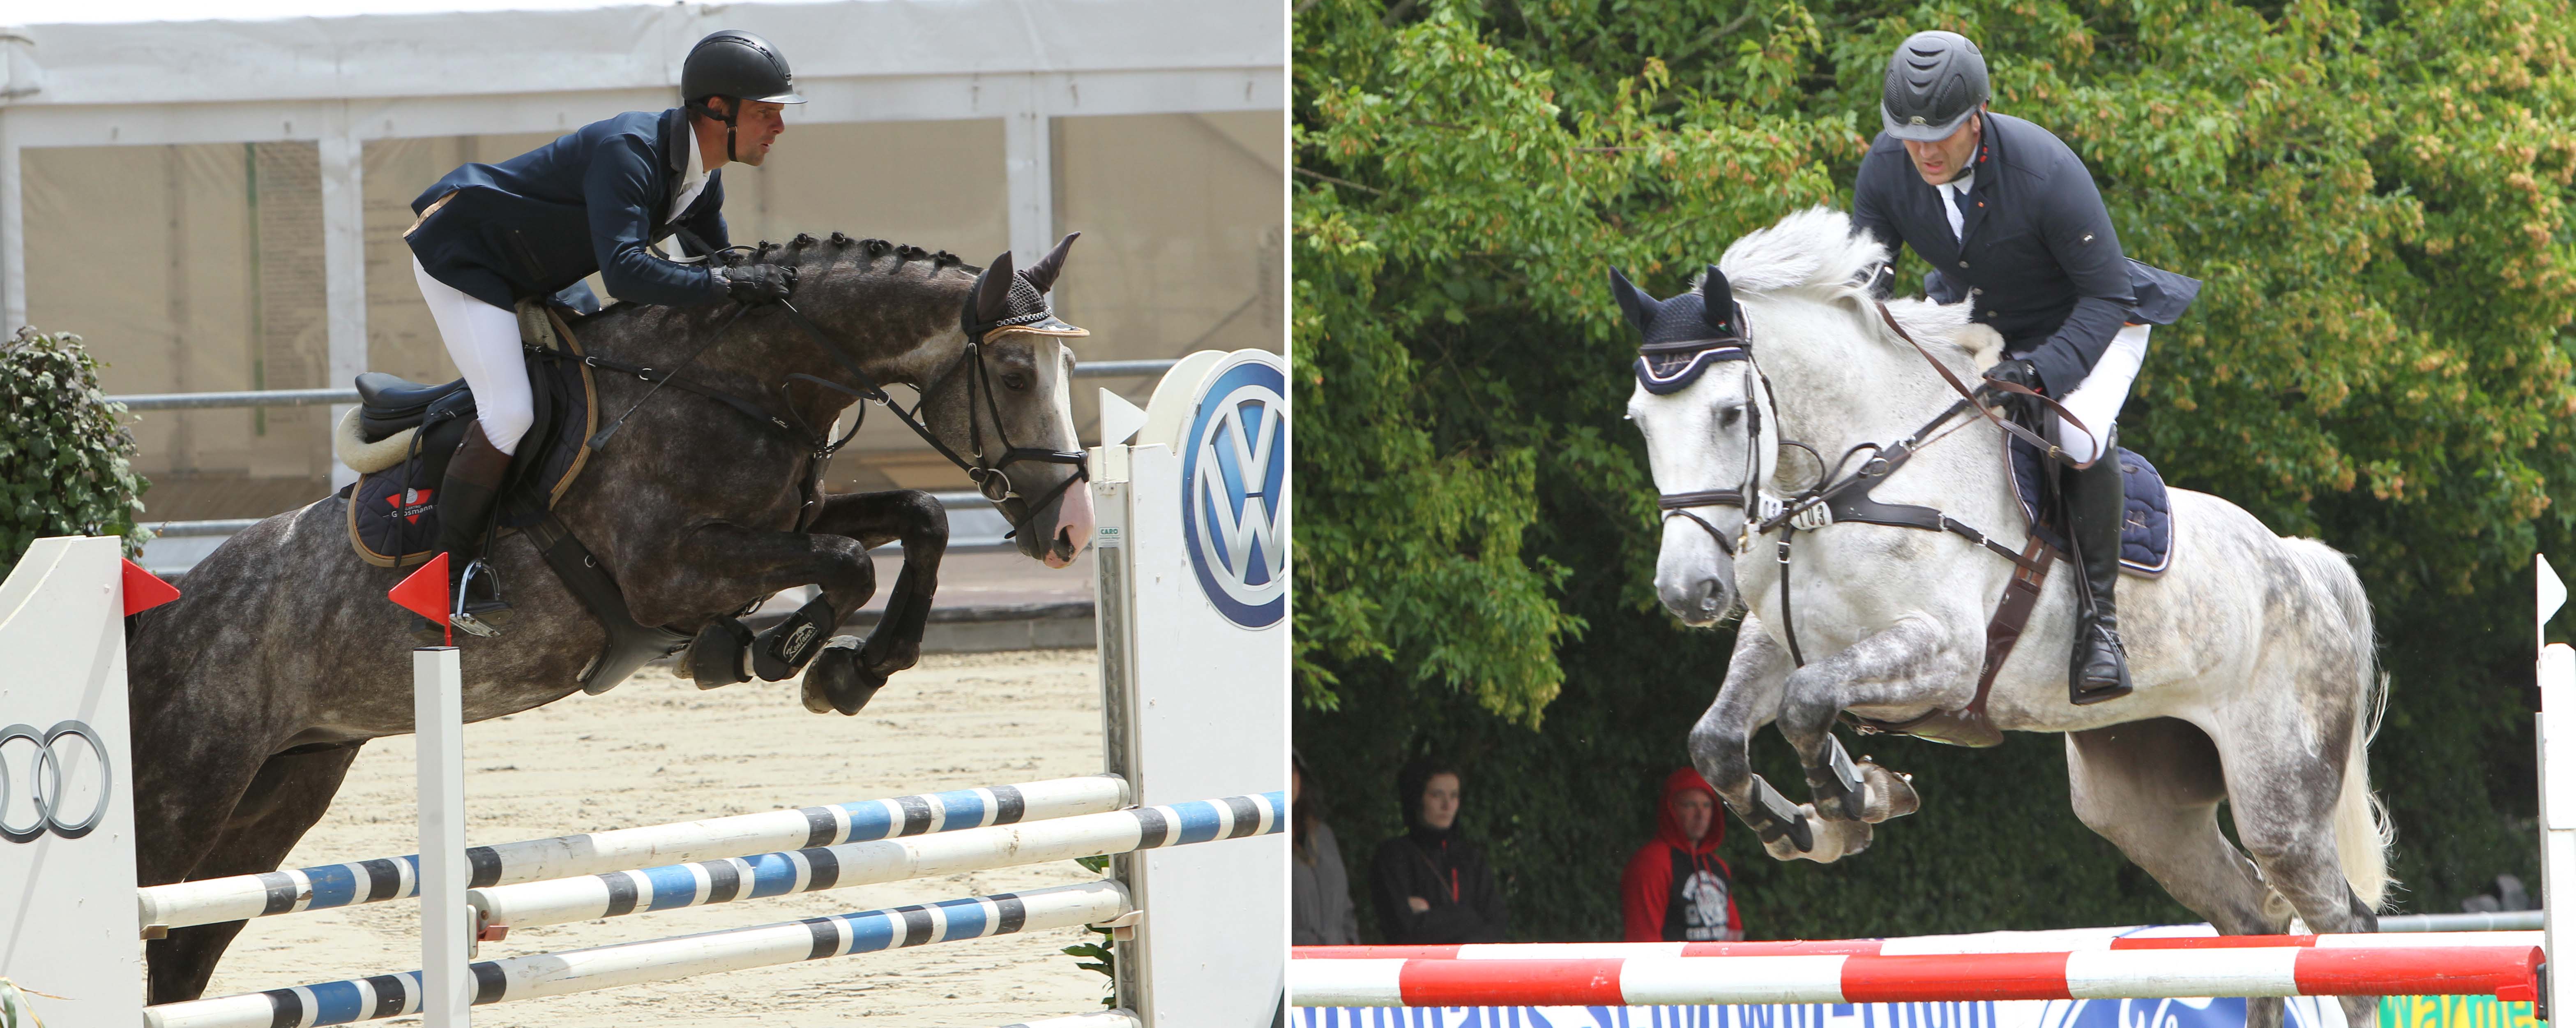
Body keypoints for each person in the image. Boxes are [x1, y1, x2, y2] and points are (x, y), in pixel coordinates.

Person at [401, 28, 804, 633]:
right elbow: (625, 274)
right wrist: (727, 286)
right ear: (715, 111)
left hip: (539, 271)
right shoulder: (630, 152)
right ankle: (445, 581)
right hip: (467, 257)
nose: (778, 126)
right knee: (510, 412)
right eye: (765, 113)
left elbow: (721, 268)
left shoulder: (701, 178)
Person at [1850, 30, 2201, 705]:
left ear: (1977, 115)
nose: (1923, 151)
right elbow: (1870, 274)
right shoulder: (1888, 165)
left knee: (2073, 438)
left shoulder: (2045, 171)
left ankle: (2101, 627)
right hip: (1980, 318)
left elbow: (2108, 295)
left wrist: (2043, 373)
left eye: (1942, 134)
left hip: (2091, 323)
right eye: (1908, 134)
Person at [1369, 759, 1508, 944]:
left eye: (1454, 796)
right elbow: (1404, 929)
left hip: (1470, 968)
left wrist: (1434, 918)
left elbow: (1497, 925)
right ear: (1418, 799)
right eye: (1437, 795)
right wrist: (1470, 918)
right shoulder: (1394, 857)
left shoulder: (1471, 859)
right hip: (1418, 969)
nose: (1447, 806)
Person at [1620, 768, 1743, 942]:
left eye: (1707, 805)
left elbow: (1734, 934)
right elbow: (1644, 942)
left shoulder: (1717, 866)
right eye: (1690, 805)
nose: (1701, 814)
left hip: (1719, 969)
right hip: (1671, 968)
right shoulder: (1652, 864)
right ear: (1671, 809)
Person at [1291, 751, 1362, 945]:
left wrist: (1351, 946)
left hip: (1338, 964)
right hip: (1292, 967)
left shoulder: (1323, 835)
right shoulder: (1263, 843)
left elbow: (1346, 909)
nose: (1287, 780)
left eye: (1292, 771)